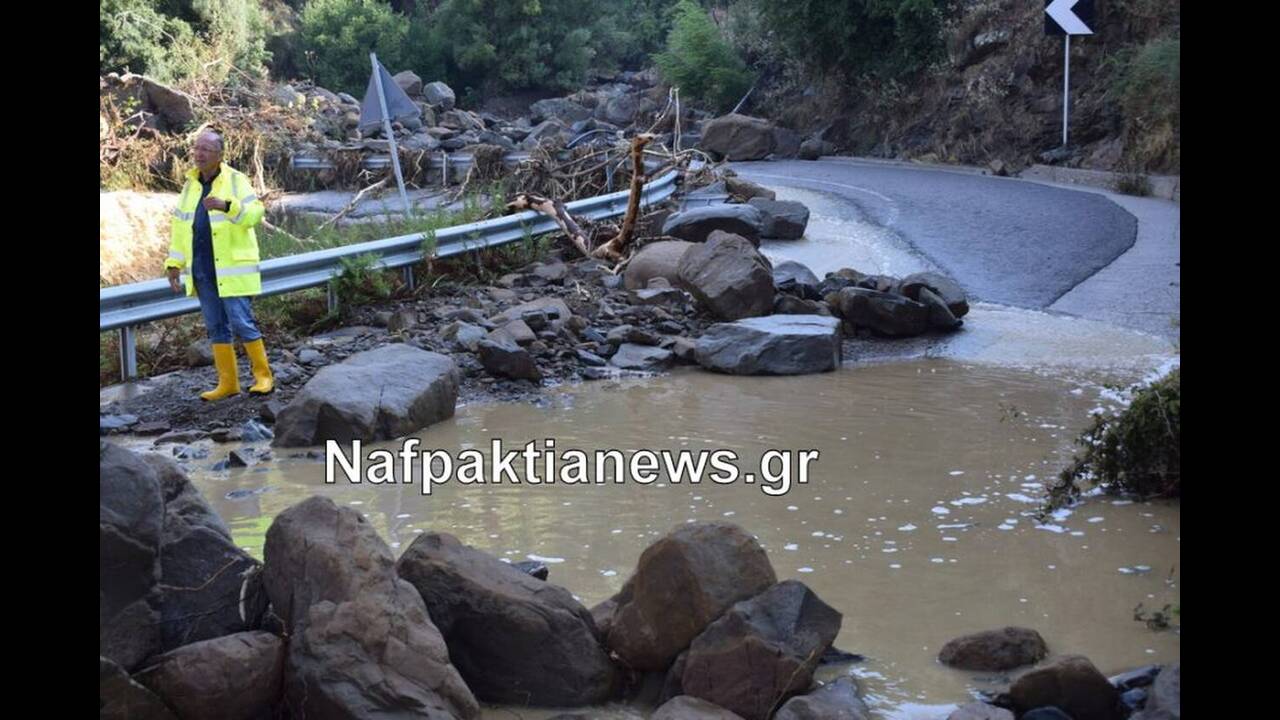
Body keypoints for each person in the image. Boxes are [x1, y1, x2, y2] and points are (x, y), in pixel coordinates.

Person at [164, 129, 273, 400]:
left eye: (206, 149)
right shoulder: (190, 185)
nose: (199, 154)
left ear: (220, 155)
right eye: (196, 148)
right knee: (215, 327)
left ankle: (263, 377)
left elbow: (256, 214)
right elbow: (180, 228)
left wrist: (228, 206)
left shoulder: (236, 180)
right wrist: (173, 263)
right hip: (201, 269)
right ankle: (228, 384)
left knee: (241, 322)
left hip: (232, 269)